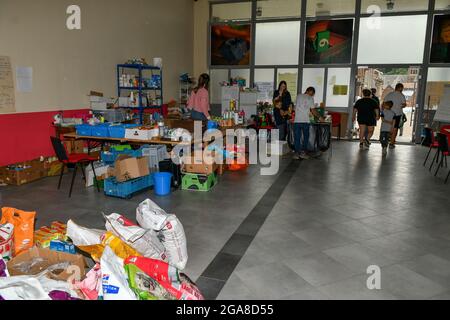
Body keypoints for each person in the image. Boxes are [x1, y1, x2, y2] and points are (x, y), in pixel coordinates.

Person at [293, 87, 321, 160]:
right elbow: (313, 111)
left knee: (297, 138)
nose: (311, 95)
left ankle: (296, 154)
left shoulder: (298, 96)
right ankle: (303, 153)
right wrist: (320, 117)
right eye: (312, 94)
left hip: (297, 121)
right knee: (305, 138)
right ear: (311, 92)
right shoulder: (310, 98)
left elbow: (295, 107)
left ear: (306, 91)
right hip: (305, 121)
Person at [383, 83, 407, 148]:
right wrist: (400, 106)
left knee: (387, 128)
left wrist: (383, 111)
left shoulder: (389, 94)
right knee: (395, 129)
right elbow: (404, 105)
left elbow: (383, 103)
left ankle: (385, 142)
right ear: (400, 88)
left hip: (388, 114)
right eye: (402, 88)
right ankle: (391, 143)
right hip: (397, 114)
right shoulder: (401, 95)